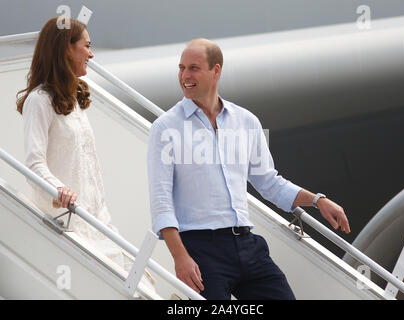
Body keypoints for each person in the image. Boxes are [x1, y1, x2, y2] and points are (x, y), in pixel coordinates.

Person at [147, 38, 350, 300]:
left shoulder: (247, 121)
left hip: (247, 244)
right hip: (200, 250)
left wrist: (317, 200)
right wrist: (180, 258)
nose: (185, 75)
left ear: (216, 70)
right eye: (181, 68)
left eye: (194, 68)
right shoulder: (164, 128)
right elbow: (161, 203)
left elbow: (270, 182)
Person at [16, 17, 154, 287]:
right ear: (67, 48)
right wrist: (59, 189)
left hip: (97, 221)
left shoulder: (73, 102)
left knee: (143, 284)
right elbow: (33, 163)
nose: (91, 54)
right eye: (87, 46)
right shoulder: (39, 101)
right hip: (68, 222)